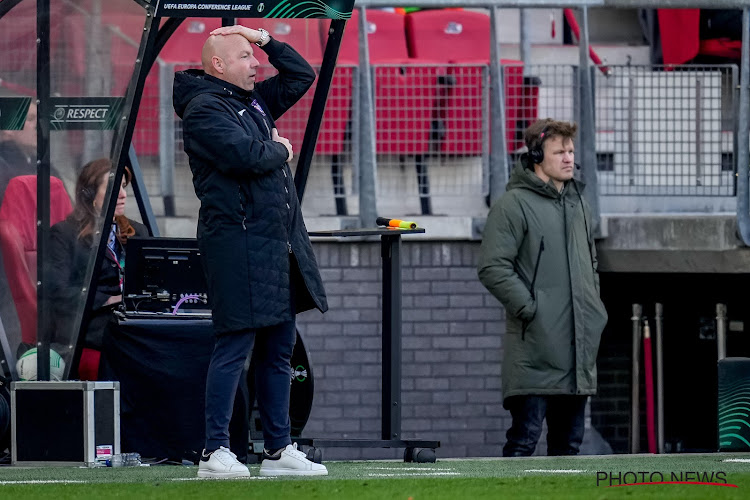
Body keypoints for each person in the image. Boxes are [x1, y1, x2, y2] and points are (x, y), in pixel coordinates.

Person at [172, 24, 328, 478]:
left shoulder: (251, 101)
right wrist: (279, 149)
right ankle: (215, 452)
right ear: (218, 65)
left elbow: (300, 75)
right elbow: (247, 156)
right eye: (245, 56)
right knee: (234, 346)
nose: (256, 64)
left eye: (254, 55)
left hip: (275, 245)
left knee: (279, 348)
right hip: (235, 245)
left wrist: (260, 36)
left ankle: (278, 451)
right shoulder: (204, 109)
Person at [477, 118, 608, 457]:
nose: (569, 159)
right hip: (534, 351)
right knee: (523, 442)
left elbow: (592, 265)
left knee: (569, 447)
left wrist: (594, 309)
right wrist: (532, 309)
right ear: (537, 154)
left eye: (571, 151)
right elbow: (493, 267)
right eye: (559, 151)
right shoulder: (512, 205)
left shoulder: (579, 204)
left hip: (576, 355)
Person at [47, 158, 147, 380]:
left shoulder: (137, 232)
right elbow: (57, 290)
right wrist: (107, 299)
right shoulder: (64, 234)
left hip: (130, 320)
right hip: (90, 327)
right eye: (113, 187)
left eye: (123, 186)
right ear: (89, 194)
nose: (122, 195)